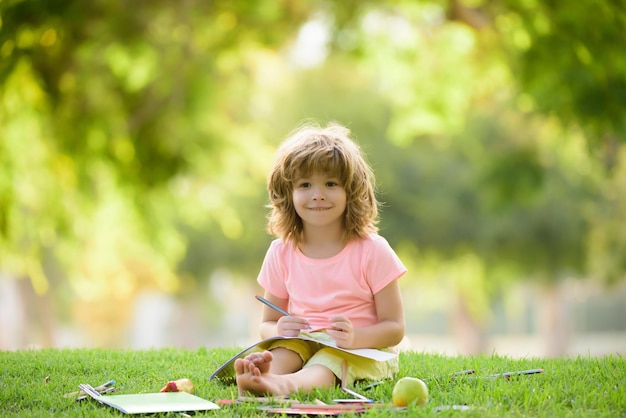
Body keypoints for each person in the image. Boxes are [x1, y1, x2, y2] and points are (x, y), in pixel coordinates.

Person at [234, 121, 407, 397]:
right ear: (288, 194)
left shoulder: (373, 250)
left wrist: (355, 338)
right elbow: (266, 324)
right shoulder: (281, 252)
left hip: (363, 350)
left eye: (330, 183)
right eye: (305, 184)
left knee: (327, 362)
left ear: (351, 190)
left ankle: (283, 385)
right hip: (305, 341)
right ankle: (263, 377)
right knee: (286, 351)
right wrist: (278, 329)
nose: (318, 195)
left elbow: (395, 328)